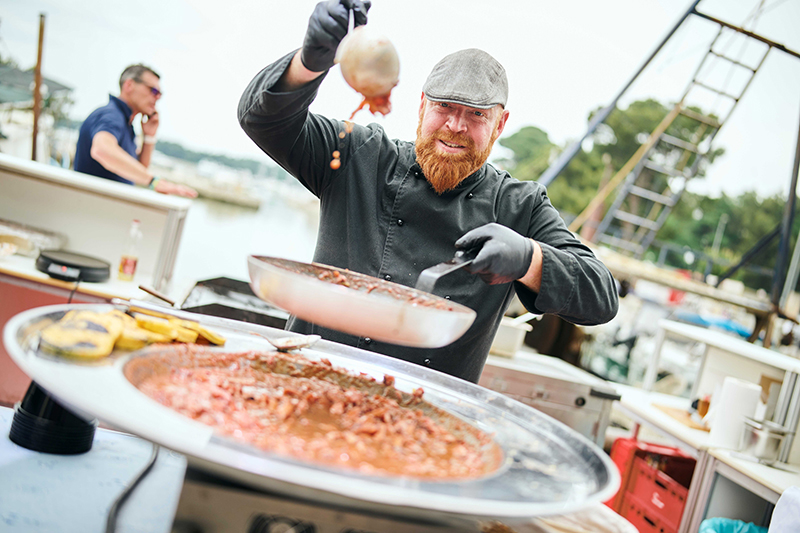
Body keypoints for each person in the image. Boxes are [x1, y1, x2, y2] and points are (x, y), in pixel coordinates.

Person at [238, 0, 618, 383]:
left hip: (418, 417)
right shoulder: (358, 154)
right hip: (302, 382)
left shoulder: (520, 205)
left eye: (476, 114)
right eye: (444, 106)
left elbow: (601, 297)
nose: (455, 125)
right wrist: (308, 62)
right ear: (421, 107)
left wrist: (528, 258)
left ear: (500, 124)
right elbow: (261, 119)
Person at [74, 64, 196, 198]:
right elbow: (102, 150)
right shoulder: (111, 115)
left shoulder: (125, 123)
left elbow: (137, 170)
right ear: (129, 85)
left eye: (160, 94)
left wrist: (149, 137)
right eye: (153, 91)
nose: (157, 97)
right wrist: (154, 181)